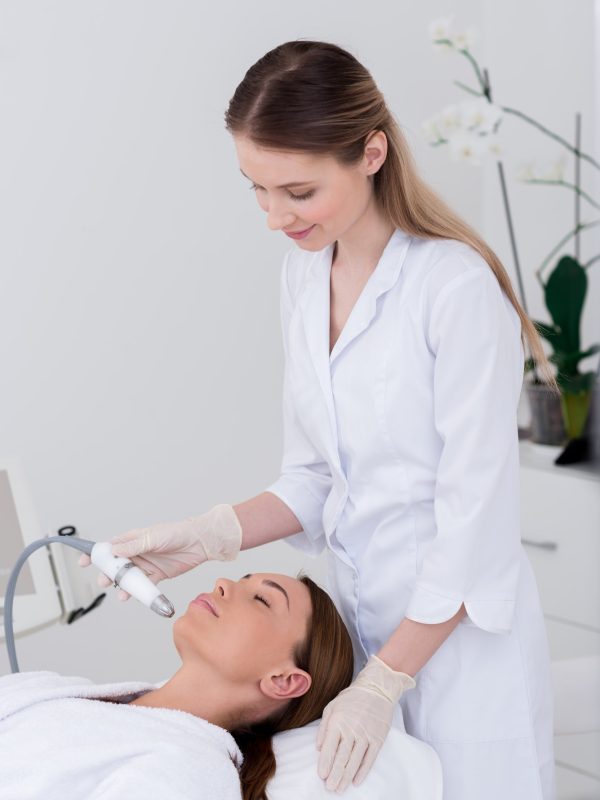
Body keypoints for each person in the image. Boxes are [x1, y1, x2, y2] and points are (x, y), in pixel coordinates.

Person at [80, 40, 558, 800]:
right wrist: (207, 534)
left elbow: (473, 529)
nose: (275, 217)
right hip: (363, 643)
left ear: (371, 154)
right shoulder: (306, 273)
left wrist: (386, 681)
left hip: (460, 661)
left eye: (297, 192)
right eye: (257, 190)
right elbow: (313, 478)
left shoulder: (454, 290)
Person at [0, 571, 354, 800]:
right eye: (241, 579)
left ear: (284, 680)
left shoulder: (193, 774)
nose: (222, 582)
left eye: (262, 599)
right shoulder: (49, 688)